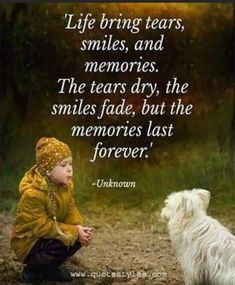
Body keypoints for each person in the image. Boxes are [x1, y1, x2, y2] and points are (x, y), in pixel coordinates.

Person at [11, 137, 92, 284]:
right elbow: (41, 227)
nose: (69, 169)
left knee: (76, 239)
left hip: (49, 233)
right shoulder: (33, 194)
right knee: (63, 241)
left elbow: (70, 208)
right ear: (48, 170)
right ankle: (31, 269)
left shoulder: (66, 186)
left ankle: (50, 269)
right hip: (30, 240)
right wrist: (73, 232)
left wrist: (77, 227)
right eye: (63, 165)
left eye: (70, 164)